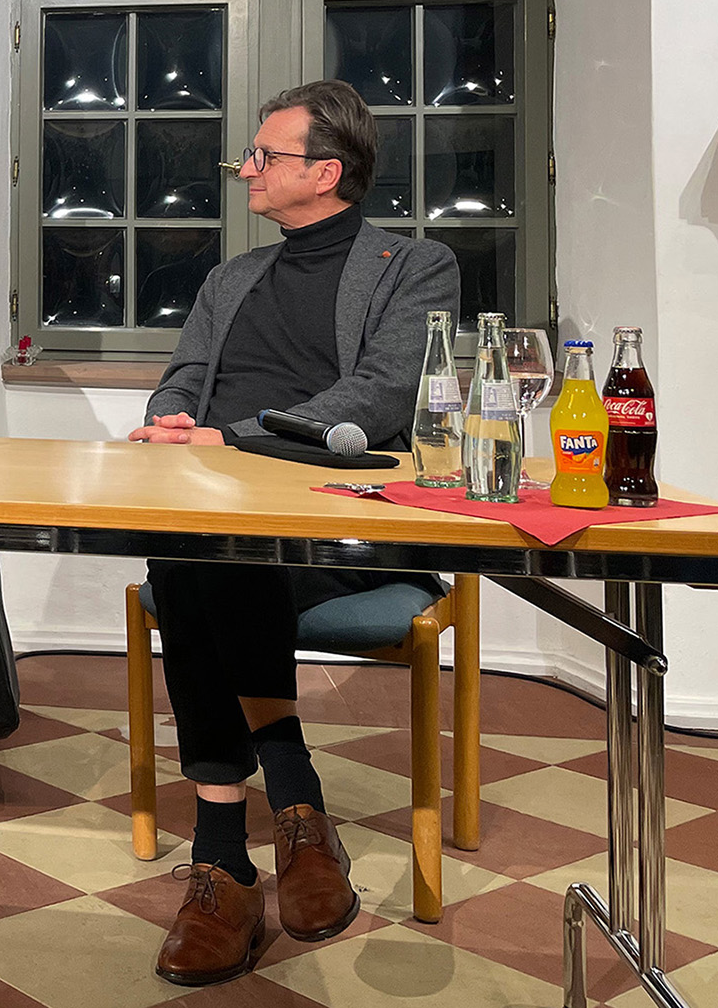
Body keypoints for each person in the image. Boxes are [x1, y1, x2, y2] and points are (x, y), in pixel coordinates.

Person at [127, 80, 459, 986]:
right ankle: (290, 816)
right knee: (205, 546)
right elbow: (182, 375)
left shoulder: (414, 265)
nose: (244, 168)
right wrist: (169, 422)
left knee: (207, 556)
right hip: (217, 510)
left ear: (325, 171)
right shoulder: (229, 278)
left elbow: (382, 395)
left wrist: (231, 439)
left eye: (263, 156)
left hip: (340, 522)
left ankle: (226, 854)